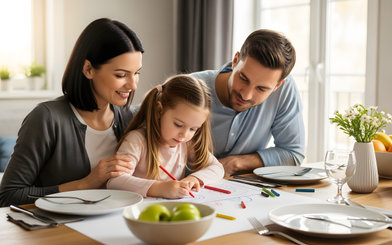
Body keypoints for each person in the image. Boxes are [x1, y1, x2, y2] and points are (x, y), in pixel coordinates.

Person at [0, 18, 144, 207]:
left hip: (118, 227)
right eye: (121, 75)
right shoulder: (46, 118)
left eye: (137, 73)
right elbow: (8, 195)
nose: (132, 85)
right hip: (60, 232)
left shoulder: (130, 119)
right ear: (88, 69)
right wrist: (86, 183)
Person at [191, 29, 305, 177]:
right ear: (235, 60)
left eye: (261, 88)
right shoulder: (191, 87)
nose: (246, 95)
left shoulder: (284, 89)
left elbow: (293, 153)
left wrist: (235, 163)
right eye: (243, 78)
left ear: (278, 85)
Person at [107, 74, 224, 198]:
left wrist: (194, 179)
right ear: (159, 111)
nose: (184, 135)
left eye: (193, 129)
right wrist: (159, 188)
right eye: (178, 124)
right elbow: (114, 182)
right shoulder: (136, 140)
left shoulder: (186, 144)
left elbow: (217, 167)